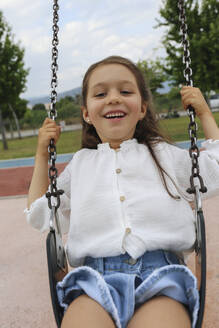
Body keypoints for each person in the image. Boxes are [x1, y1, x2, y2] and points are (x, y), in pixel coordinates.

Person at [25, 56, 219, 328]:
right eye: (101, 93)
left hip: (161, 279)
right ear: (86, 114)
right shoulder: (80, 165)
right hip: (93, 283)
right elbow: (39, 215)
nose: (114, 98)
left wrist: (204, 113)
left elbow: (216, 168)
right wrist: (41, 156)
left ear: (141, 108)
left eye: (125, 91)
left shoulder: (163, 155)